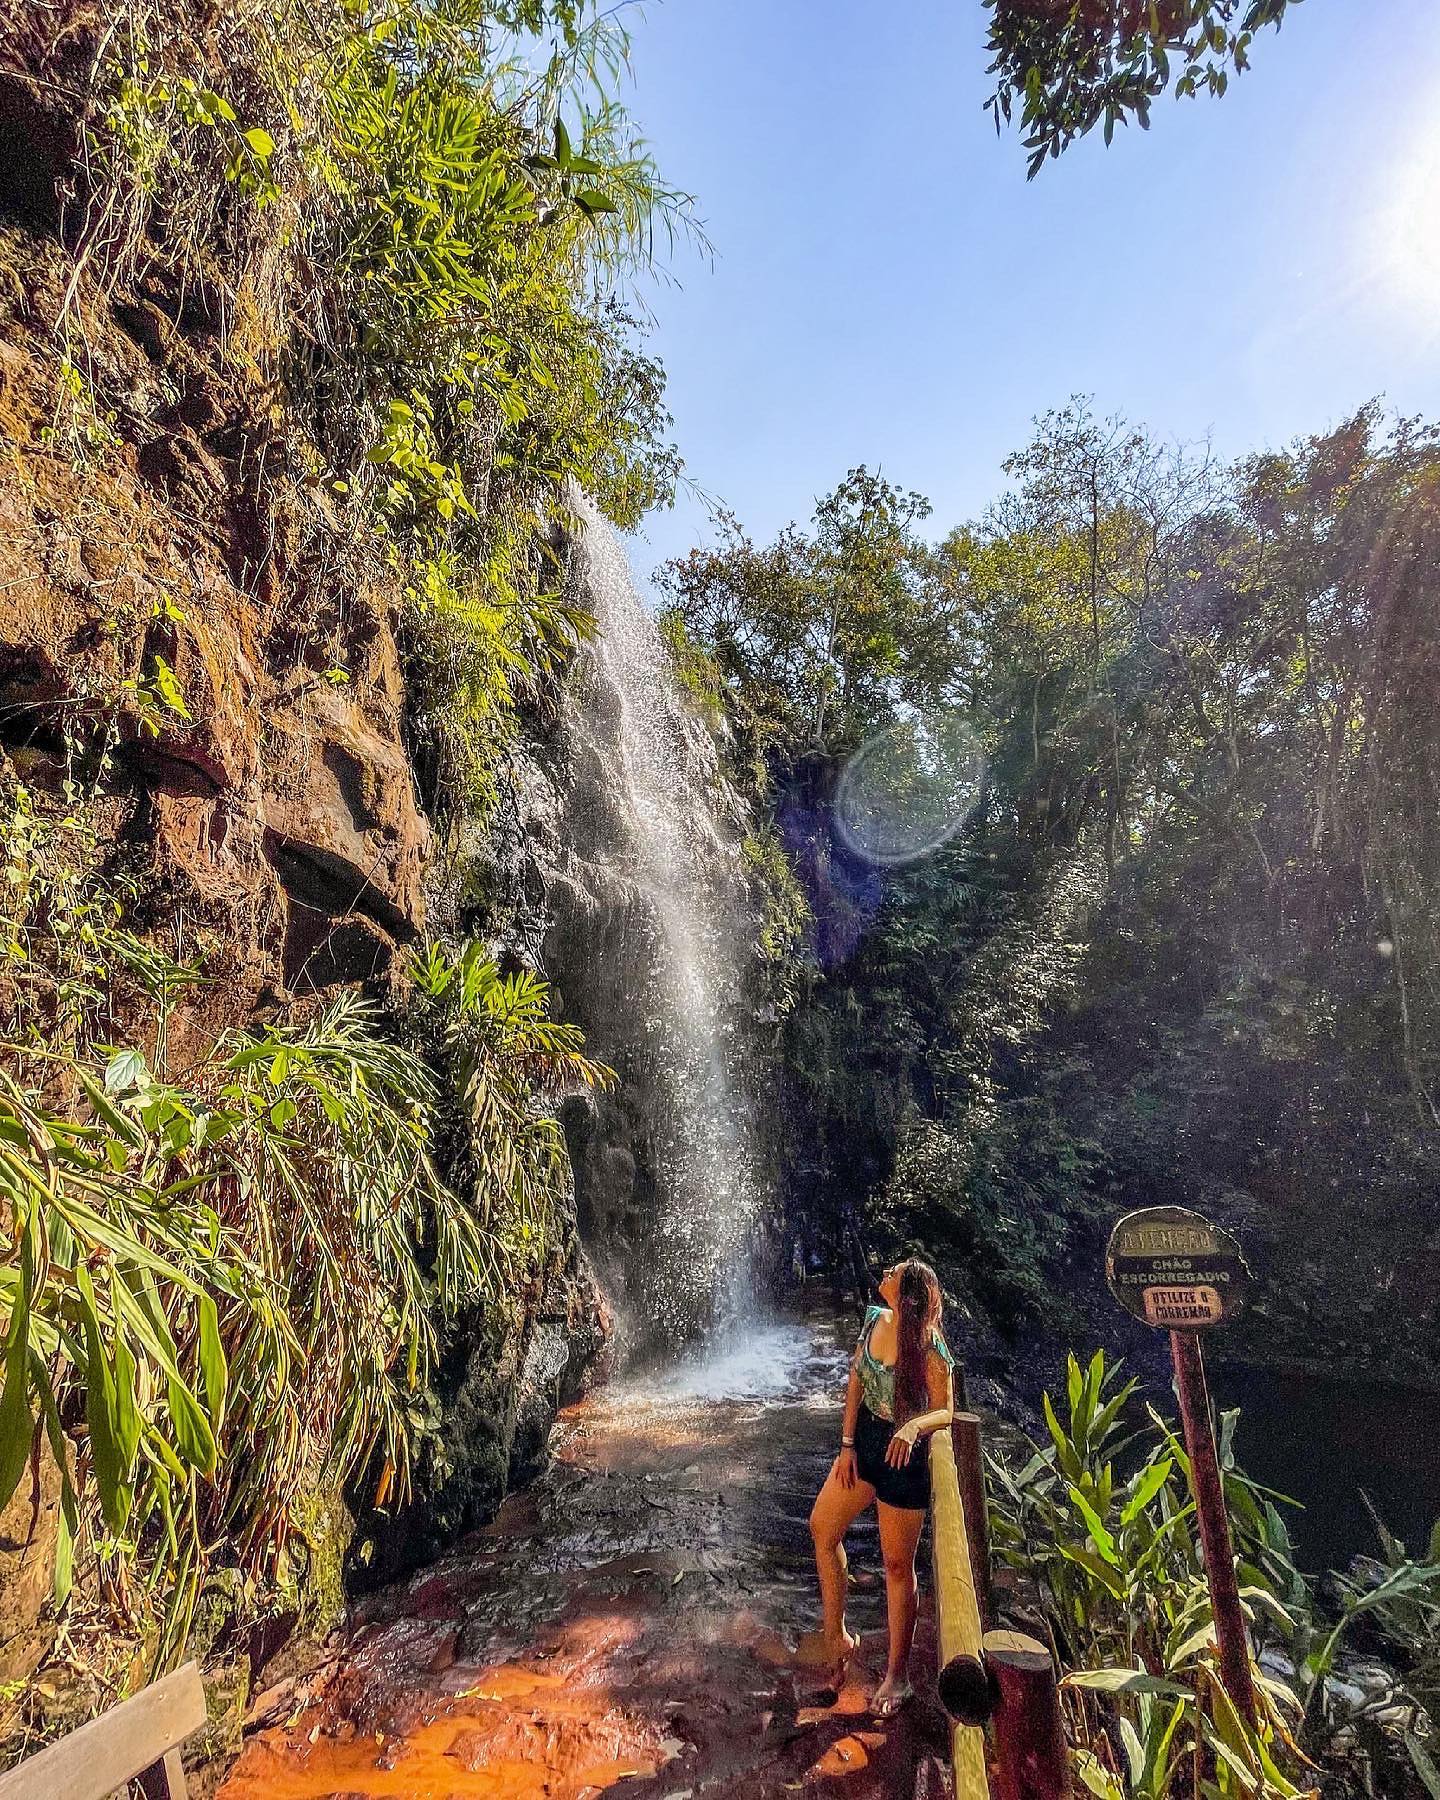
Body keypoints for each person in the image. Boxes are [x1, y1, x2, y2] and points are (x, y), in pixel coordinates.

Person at [807, 1259, 955, 1715]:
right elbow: (855, 1382)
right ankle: (837, 1637)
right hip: (867, 1444)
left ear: (906, 1295)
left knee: (896, 1566)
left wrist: (913, 1428)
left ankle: (897, 1677)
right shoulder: (875, 1320)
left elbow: (946, 1410)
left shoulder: (930, 1346)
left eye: (893, 1273)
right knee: (822, 1528)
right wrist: (846, 1445)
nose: (884, 1273)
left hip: (904, 1459)